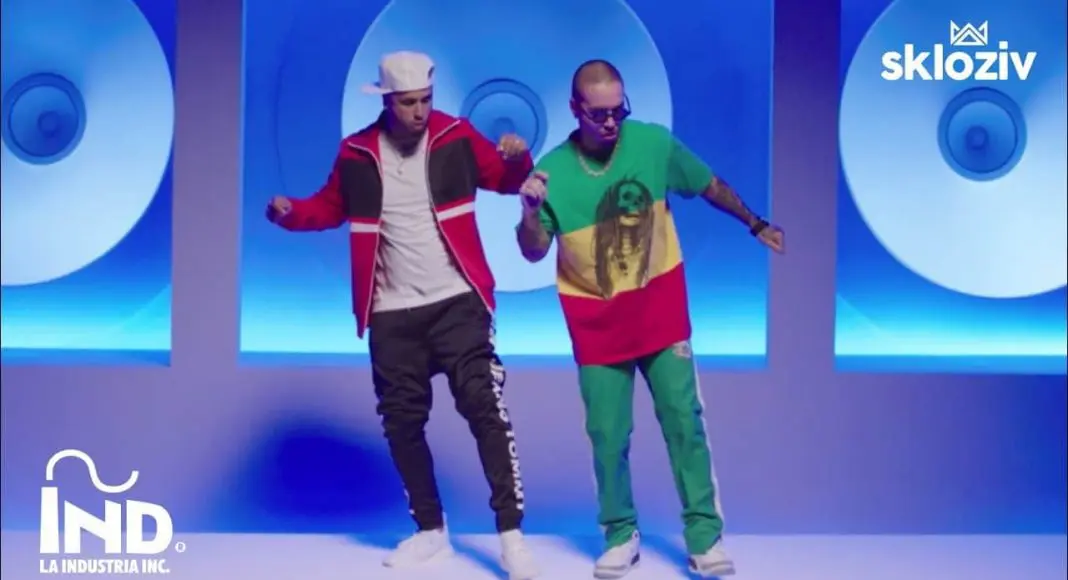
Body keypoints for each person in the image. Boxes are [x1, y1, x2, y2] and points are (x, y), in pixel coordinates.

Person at [267, 51, 540, 579]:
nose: (420, 112)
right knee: (401, 423)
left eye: (426, 101)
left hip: (457, 301)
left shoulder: (456, 136)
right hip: (391, 311)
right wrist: (291, 213)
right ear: (387, 101)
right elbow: (330, 207)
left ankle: (512, 538)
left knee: (485, 409)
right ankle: (431, 532)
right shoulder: (357, 152)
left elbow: (508, 180)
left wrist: (518, 157)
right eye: (409, 103)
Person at [514, 59, 785, 579]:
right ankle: (620, 534)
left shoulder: (654, 144)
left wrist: (755, 223)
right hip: (597, 326)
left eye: (618, 111)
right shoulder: (552, 172)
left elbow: (708, 184)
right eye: (598, 114)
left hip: (660, 315)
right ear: (574, 110)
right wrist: (529, 212)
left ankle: (704, 536)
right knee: (607, 435)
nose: (611, 122)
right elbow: (532, 251)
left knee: (685, 423)